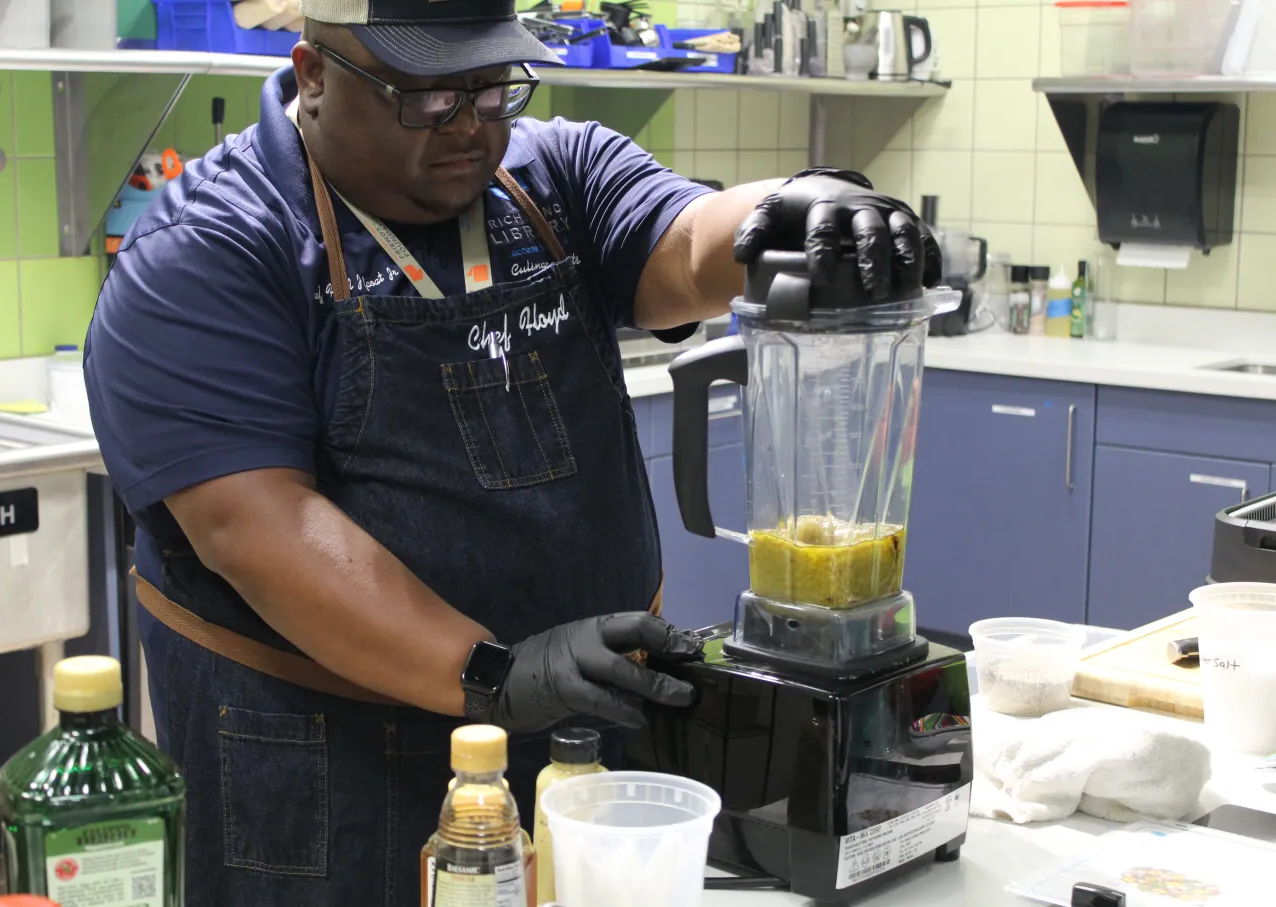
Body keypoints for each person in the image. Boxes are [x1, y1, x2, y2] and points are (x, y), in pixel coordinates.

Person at [83, 0, 941, 903]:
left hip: (573, 746)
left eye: (494, 88)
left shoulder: (551, 174)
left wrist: (801, 208)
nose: (469, 126)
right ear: (314, 74)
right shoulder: (211, 247)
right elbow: (256, 528)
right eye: (428, 98)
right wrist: (492, 672)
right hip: (334, 781)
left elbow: (687, 245)